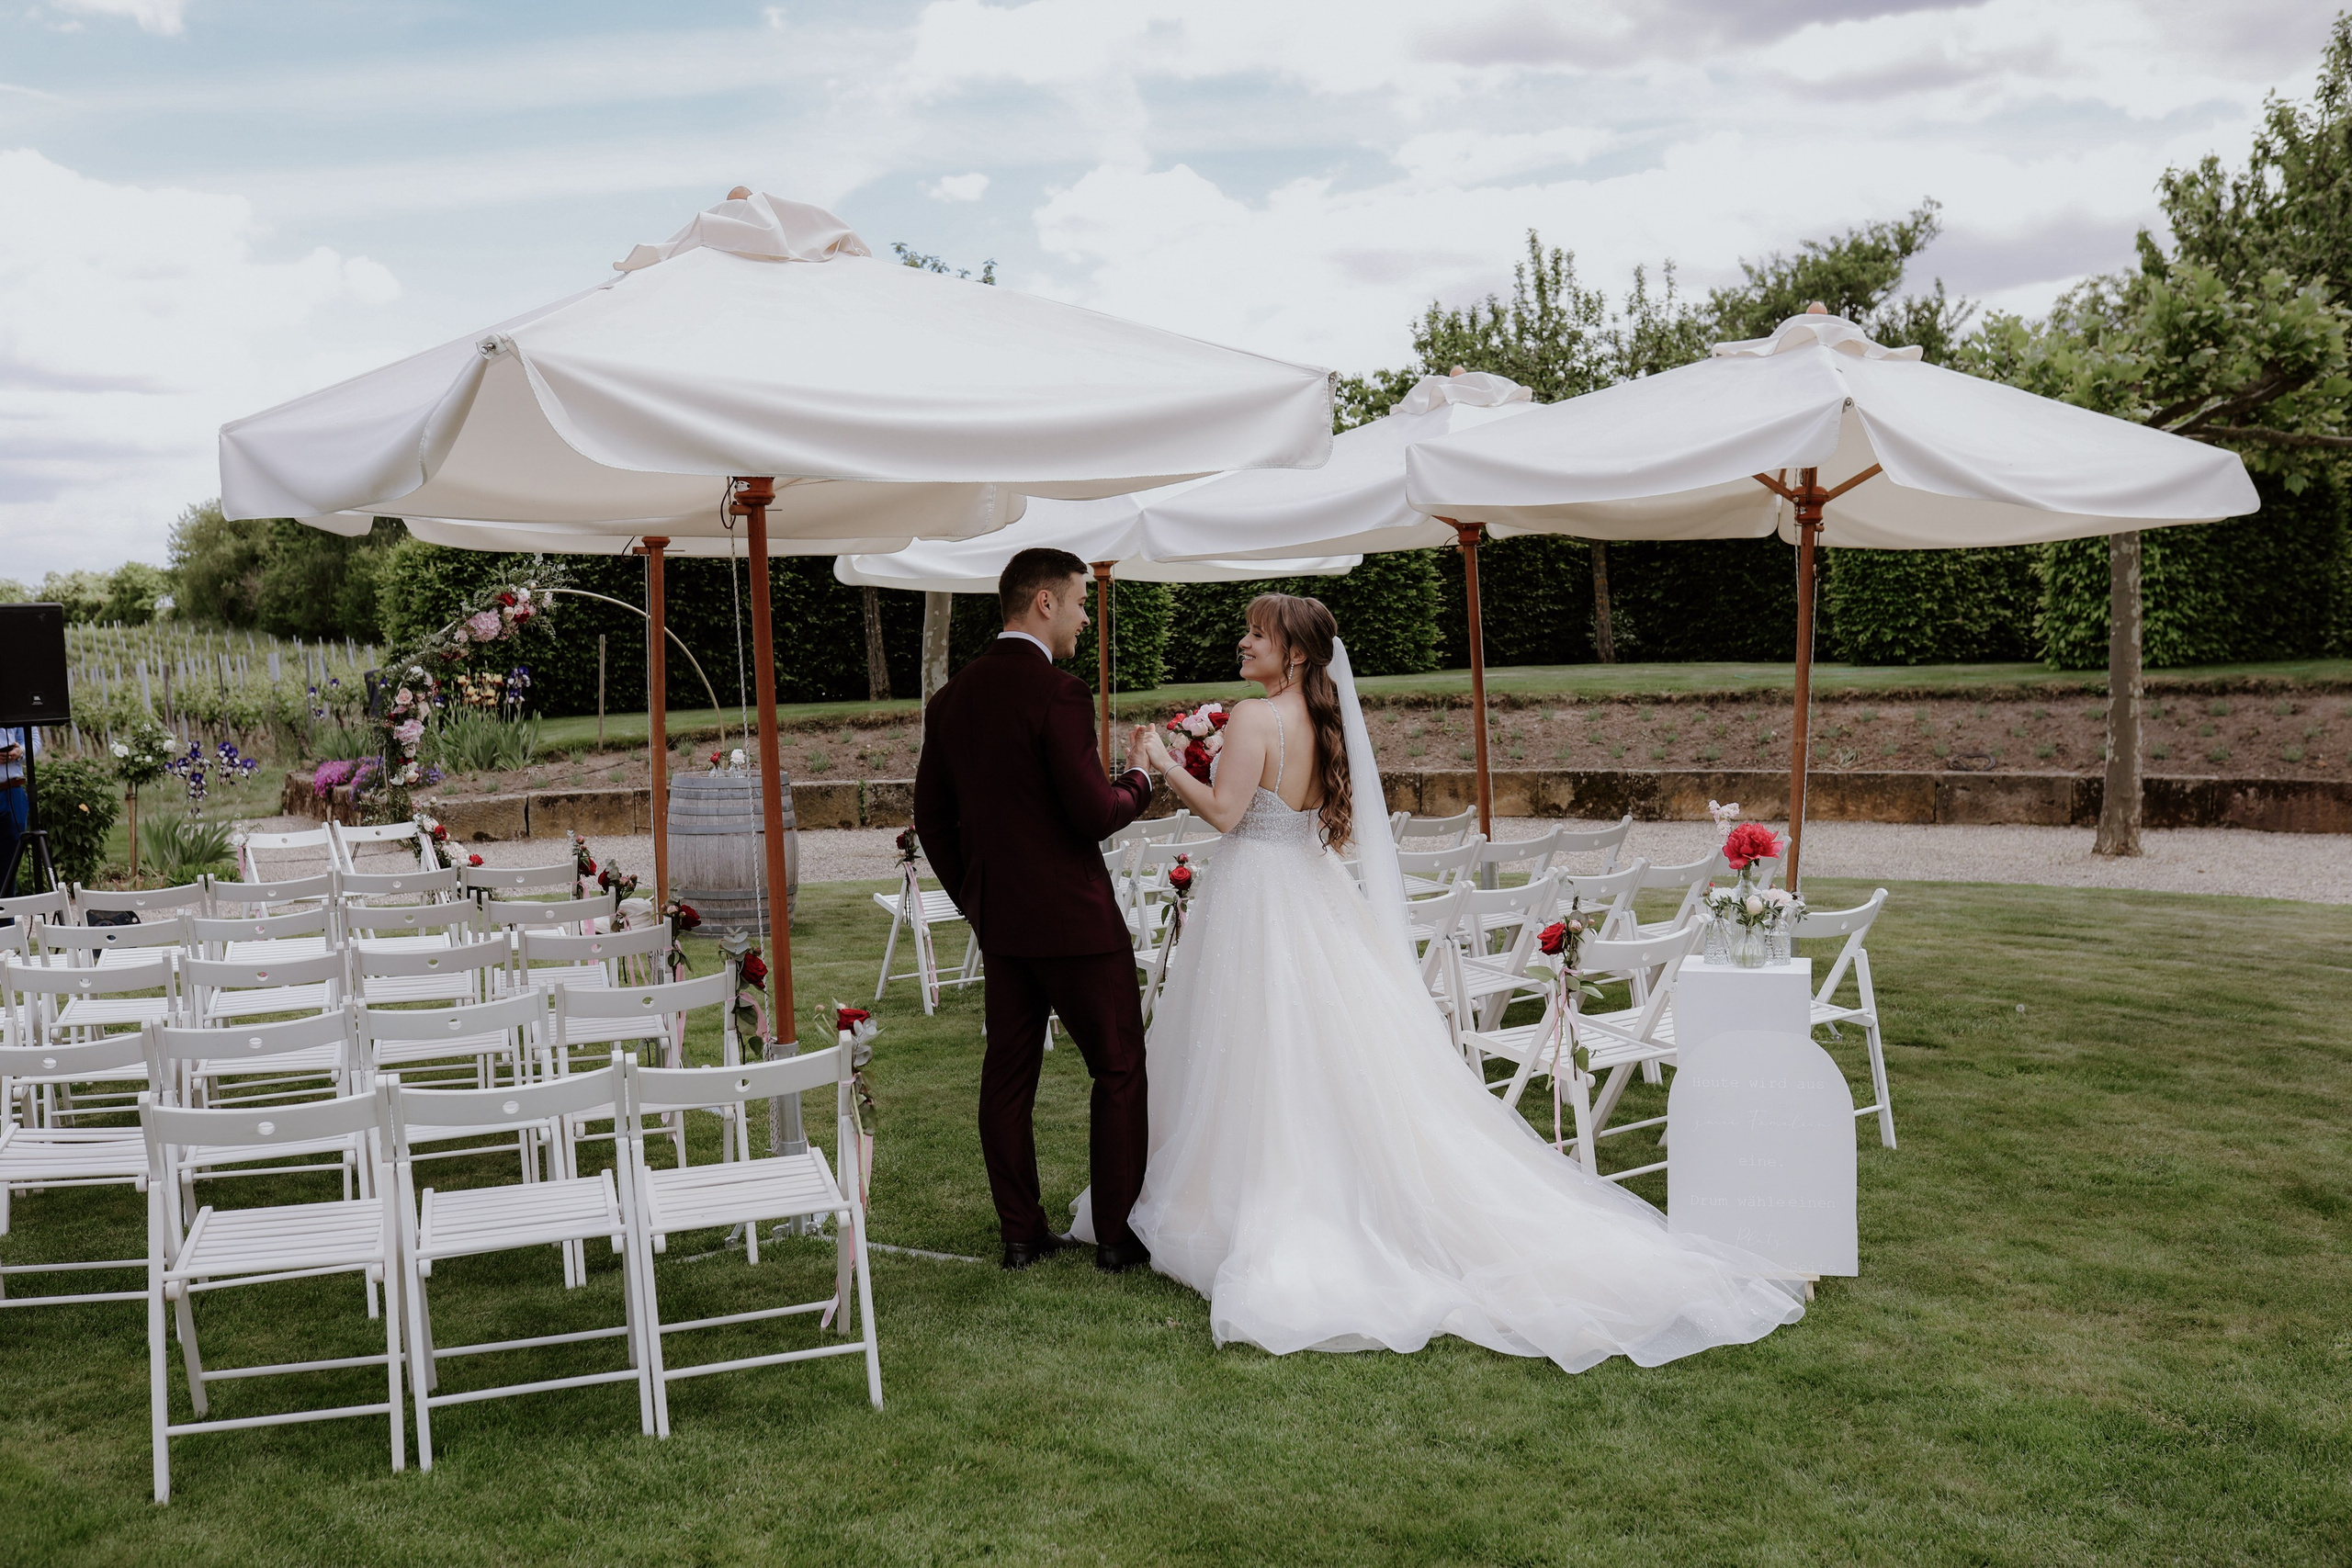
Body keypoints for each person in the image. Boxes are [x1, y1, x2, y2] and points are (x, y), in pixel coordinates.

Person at [1105, 592, 1804, 1371]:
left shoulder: (1252, 715)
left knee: (1252, 1047)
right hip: (1308, 889)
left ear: (1294, 652)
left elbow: (1228, 814)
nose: (1242, 641)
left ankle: (1237, 1199)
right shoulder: (1316, 719)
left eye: (1256, 634)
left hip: (1258, 897)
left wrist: (1163, 765)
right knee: (1316, 1051)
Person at [913, 548, 1159, 1272]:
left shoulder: (950, 698)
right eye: (1083, 601)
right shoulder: (1060, 692)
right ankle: (1116, 1235)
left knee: (1008, 1077)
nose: (1087, 616)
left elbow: (932, 819)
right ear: (1044, 602)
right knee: (1118, 1067)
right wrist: (1141, 779)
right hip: (1078, 925)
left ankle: (1021, 1231)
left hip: (1006, 928)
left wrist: (979, 900)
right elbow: (1092, 811)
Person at [0, 723, 37, 897]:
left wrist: (20, 752)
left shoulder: (15, 699)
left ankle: (7, 922)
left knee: (8, 867)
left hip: (12, 791)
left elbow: (34, 741)